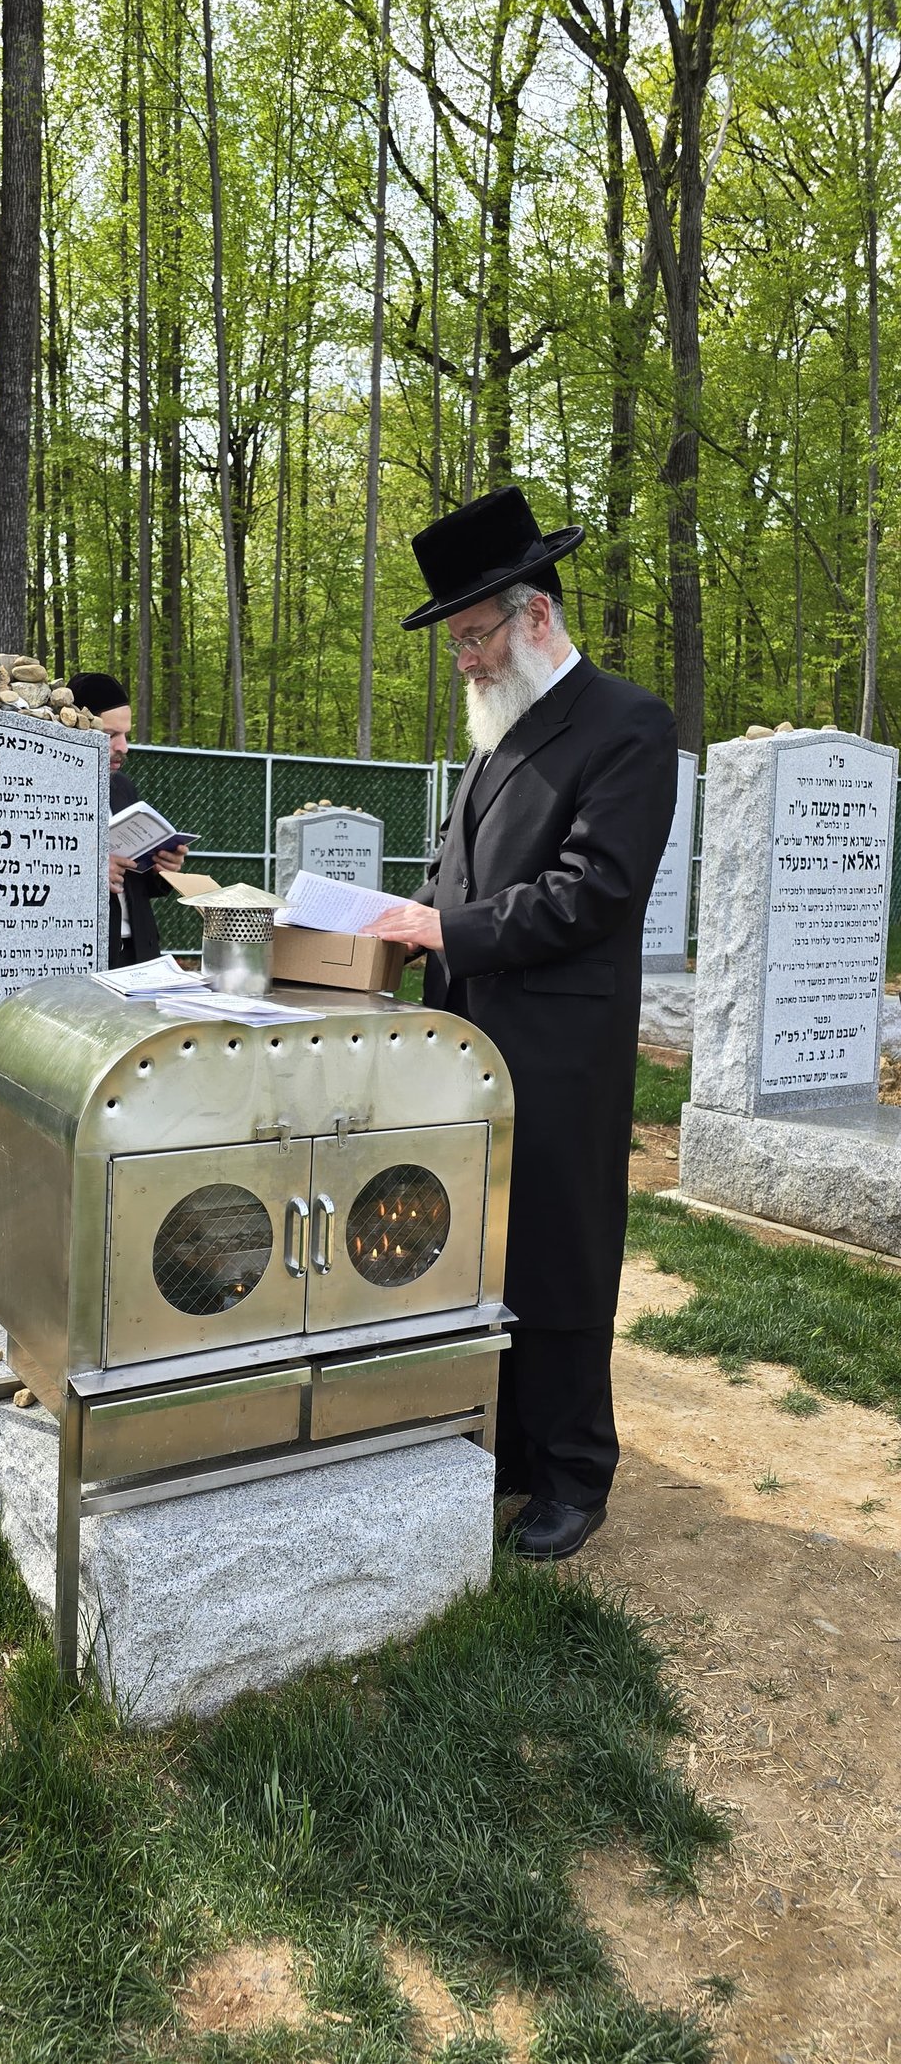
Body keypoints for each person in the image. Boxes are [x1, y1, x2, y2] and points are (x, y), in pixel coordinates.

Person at [366, 486, 678, 1561]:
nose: (462, 656)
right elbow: (462, 868)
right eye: (455, 637)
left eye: (473, 633)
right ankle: (508, 1446)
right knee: (484, 1247)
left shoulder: (628, 726)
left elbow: (594, 890)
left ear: (535, 615)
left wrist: (446, 927)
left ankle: (575, 1469)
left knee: (560, 1252)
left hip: (560, 1046)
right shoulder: (498, 729)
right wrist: (405, 926)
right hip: (468, 1044)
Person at [68, 672, 188, 965]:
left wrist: (162, 870)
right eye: (111, 735)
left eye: (126, 735)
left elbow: (132, 883)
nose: (124, 747)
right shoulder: (43, 792)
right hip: (84, 957)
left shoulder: (122, 786)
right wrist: (89, 872)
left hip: (140, 954)